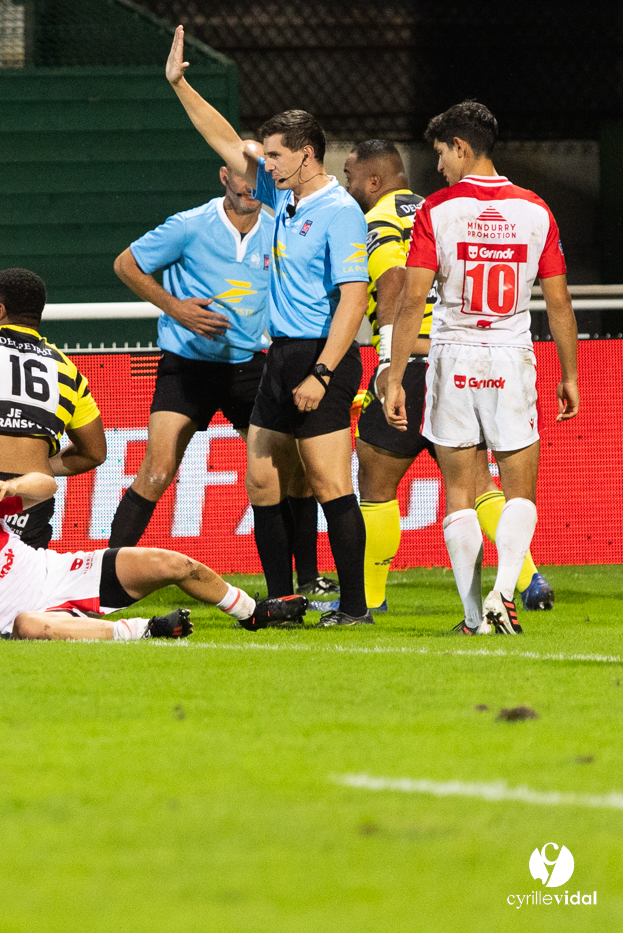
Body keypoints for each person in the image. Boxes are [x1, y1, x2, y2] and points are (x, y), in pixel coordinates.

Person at [166, 27, 372, 626]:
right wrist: (181, 84)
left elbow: (353, 301)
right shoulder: (284, 198)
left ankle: (354, 608)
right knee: (262, 480)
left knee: (331, 483)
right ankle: (284, 602)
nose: (265, 164)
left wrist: (324, 372)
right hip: (280, 357)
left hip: (320, 357)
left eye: (276, 155)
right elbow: (226, 141)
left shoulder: (340, 213)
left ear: (307, 153)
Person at [384, 101, 579, 635]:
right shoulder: (535, 210)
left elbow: (412, 298)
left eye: (442, 153)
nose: (439, 165)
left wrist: (395, 373)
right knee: (519, 493)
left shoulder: (437, 211)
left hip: (452, 358)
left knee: (459, 494)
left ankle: (474, 616)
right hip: (511, 357)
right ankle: (503, 590)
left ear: (463, 148)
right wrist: (570, 374)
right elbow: (559, 303)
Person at [343, 139, 554, 614]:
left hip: (413, 361)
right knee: (479, 483)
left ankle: (369, 598)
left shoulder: (379, 219)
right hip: (462, 360)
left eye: (351, 175)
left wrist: (384, 364)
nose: (348, 184)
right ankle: (529, 577)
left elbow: (394, 282)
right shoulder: (438, 210)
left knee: (376, 482)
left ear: (374, 180)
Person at [0, 476, 308, 641]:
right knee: (28, 625)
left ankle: (252, 612)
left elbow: (47, 485)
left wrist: (14, 484)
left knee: (175, 564)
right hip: (34, 617)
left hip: (65, 573)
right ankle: (148, 631)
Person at [0, 268, 106, 547]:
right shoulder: (67, 369)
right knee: (20, 586)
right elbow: (95, 453)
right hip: (33, 497)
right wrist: (35, 472)